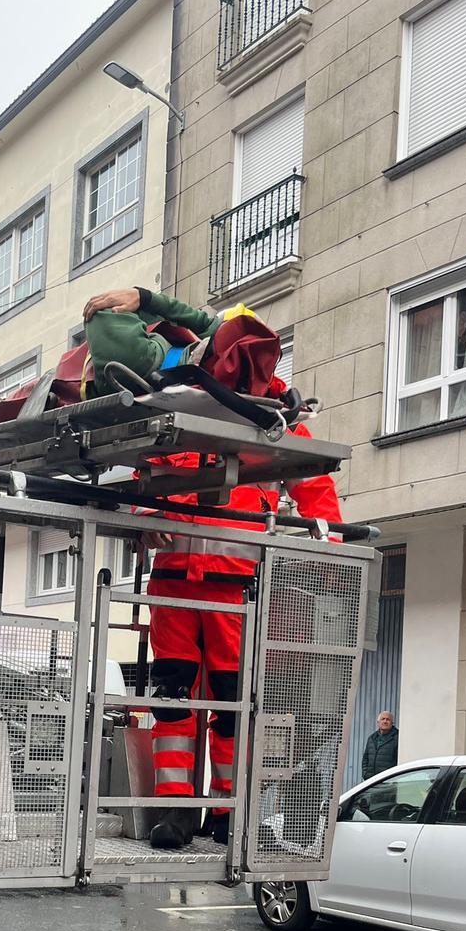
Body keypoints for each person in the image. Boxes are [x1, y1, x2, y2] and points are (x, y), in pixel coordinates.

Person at [82, 285, 344, 851]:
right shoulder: (176, 405)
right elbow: (140, 478)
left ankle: (224, 811)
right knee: (174, 700)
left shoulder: (275, 421)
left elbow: (317, 487)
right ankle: (176, 811)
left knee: (231, 705)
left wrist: (329, 560)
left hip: (236, 591)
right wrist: (140, 515)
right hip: (174, 586)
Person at [361, 711, 398, 780]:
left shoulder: (397, 738)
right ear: (378, 722)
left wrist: (392, 778)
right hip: (371, 781)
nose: (385, 721)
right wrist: (365, 774)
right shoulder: (372, 738)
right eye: (383, 719)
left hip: (387, 782)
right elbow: (365, 759)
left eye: (388, 719)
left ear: (392, 723)